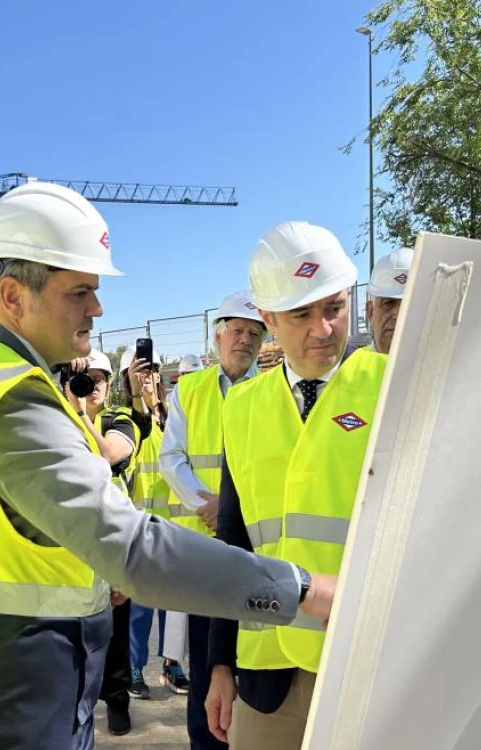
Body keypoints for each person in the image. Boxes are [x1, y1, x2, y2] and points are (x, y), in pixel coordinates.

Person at [0, 182, 336, 750]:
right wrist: (301, 589)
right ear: (12, 295)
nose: (97, 309)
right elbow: (136, 551)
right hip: (19, 698)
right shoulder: (13, 399)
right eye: (80, 291)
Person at [205, 221, 388, 750]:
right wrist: (219, 662)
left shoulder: (392, 384)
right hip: (268, 672)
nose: (323, 329)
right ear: (267, 319)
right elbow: (234, 539)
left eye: (333, 307)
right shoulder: (240, 407)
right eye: (300, 314)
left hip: (366, 660)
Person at [160, 290, 266, 750]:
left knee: (257, 660)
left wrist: (230, 512)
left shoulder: (276, 389)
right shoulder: (189, 390)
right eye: (237, 331)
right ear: (217, 335)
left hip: (259, 547)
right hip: (204, 551)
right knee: (207, 663)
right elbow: (171, 459)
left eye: (254, 333)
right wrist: (210, 507)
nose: (244, 340)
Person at [66, 348, 149, 736]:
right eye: (84, 378)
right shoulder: (58, 417)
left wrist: (79, 412)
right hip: (73, 543)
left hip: (115, 541)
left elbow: (107, 454)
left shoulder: (120, 420)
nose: (91, 386)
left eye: (98, 379)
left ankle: (117, 702)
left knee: (115, 631)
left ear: (110, 383)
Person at [122, 346, 191, 701]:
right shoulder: (126, 417)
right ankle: (135, 667)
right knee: (140, 606)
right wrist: (141, 401)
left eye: (154, 373)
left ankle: (172, 663)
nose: (150, 378)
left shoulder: (173, 414)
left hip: (172, 526)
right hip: (137, 528)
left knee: (173, 606)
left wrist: (157, 405)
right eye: (141, 372)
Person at [366, 247, 414, 354]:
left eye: (411, 304)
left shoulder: (451, 368)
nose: (398, 315)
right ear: (371, 312)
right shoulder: (350, 368)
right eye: (388, 303)